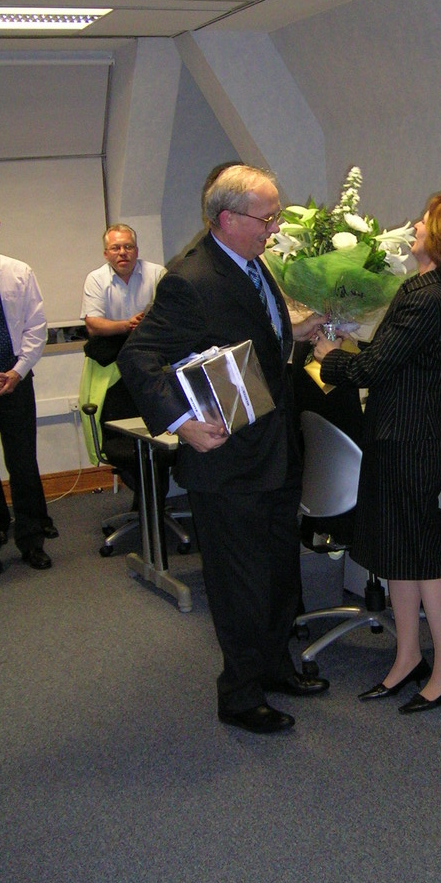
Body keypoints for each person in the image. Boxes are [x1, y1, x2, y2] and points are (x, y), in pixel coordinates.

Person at [117, 164, 327, 735]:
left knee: (280, 571)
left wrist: (294, 333)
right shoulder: (191, 280)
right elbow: (138, 357)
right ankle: (239, 695)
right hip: (229, 462)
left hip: (275, 450)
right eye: (268, 218)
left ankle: (276, 666)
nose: (275, 227)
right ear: (229, 218)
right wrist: (182, 423)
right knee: (240, 584)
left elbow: (251, 335)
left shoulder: (252, 263)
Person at [313, 192, 441, 712]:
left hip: (408, 443)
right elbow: (390, 358)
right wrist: (348, 347)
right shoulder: (428, 291)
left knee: (422, 556)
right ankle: (408, 656)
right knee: (400, 554)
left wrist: (329, 356)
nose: (415, 225)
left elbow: (371, 370)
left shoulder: (426, 296)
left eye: (426, 221)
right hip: (399, 438)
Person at [0, 199, 55, 575]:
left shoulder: (20, 272)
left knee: (23, 463)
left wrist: (17, 372)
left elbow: (36, 327)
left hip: (17, 378)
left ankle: (31, 541)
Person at [81, 224, 166, 338]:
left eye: (128, 247)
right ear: (106, 254)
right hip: (110, 344)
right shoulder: (96, 279)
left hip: (151, 341)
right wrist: (128, 325)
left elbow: (171, 314)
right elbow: (93, 324)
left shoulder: (157, 274)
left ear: (136, 251)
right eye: (115, 248)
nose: (122, 253)